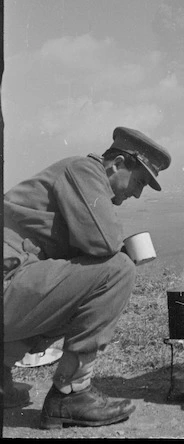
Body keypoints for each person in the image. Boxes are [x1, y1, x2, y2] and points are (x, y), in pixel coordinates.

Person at [3, 126, 171, 428]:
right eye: (139, 181)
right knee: (118, 270)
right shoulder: (84, 170)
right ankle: (71, 392)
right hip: (8, 284)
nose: (136, 193)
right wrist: (126, 253)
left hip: (12, 282)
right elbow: (104, 243)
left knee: (80, 278)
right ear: (118, 164)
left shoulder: (78, 174)